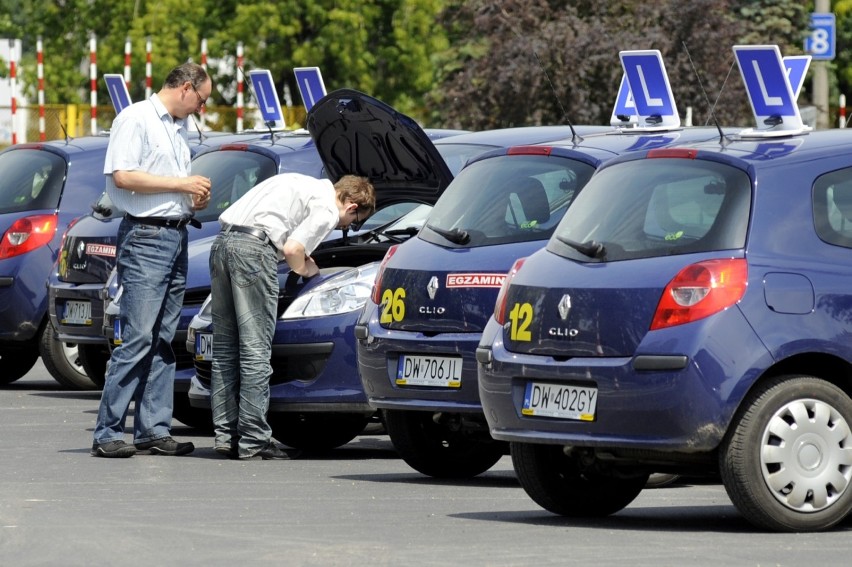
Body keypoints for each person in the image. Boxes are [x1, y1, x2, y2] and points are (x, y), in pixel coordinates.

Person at [91, 62, 213, 458]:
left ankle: (153, 429)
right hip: (145, 238)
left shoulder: (177, 128)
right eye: (202, 100)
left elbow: (162, 184)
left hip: (174, 234)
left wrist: (191, 197)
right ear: (186, 88)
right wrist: (181, 184)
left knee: (163, 338)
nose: (202, 109)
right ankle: (107, 432)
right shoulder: (136, 118)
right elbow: (123, 176)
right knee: (140, 336)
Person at [209, 173, 375, 459]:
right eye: (353, 222)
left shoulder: (298, 182)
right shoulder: (326, 208)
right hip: (253, 252)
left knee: (225, 348)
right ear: (350, 206)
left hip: (222, 244)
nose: (346, 227)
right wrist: (307, 270)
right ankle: (254, 439)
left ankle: (226, 435)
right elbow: (292, 249)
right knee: (255, 350)